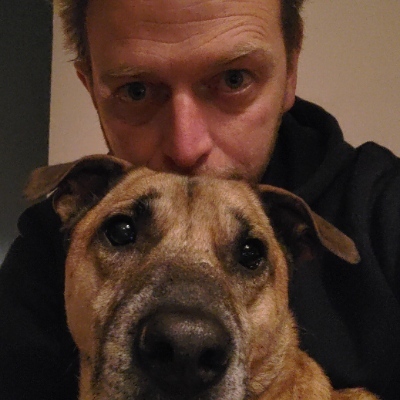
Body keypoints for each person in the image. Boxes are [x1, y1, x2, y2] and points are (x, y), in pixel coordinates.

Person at [0, 0, 399, 399]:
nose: (186, 148)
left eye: (233, 79)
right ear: (91, 89)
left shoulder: (386, 206)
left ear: (291, 71)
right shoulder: (43, 252)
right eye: (137, 90)